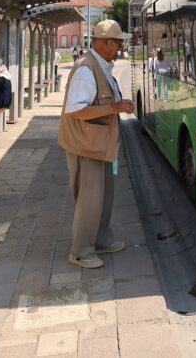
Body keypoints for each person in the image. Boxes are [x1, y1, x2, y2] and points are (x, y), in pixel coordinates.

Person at [58, 20, 134, 269]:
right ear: (104, 43)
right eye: (118, 42)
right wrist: (114, 107)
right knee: (89, 201)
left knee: (105, 197)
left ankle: (100, 240)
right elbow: (75, 110)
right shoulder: (85, 69)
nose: (120, 46)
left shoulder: (102, 66)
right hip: (86, 146)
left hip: (101, 145)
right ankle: (80, 251)